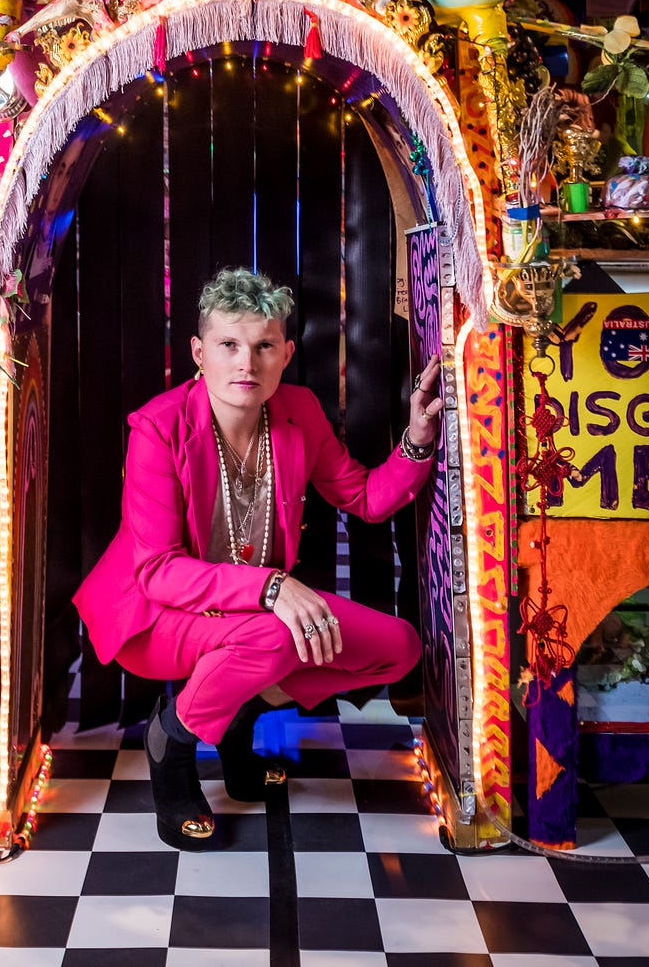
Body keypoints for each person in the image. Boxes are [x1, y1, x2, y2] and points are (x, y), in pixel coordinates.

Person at [73, 268, 442, 849]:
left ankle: (239, 712)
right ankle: (173, 740)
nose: (247, 363)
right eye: (229, 345)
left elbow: (365, 498)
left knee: (398, 648)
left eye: (264, 345)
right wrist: (271, 588)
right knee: (274, 636)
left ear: (286, 352)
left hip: (250, 616)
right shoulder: (159, 427)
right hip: (157, 614)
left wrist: (419, 435)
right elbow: (157, 571)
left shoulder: (298, 413)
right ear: (200, 352)